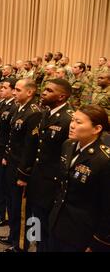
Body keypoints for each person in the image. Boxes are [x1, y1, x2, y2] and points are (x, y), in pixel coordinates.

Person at [49, 105, 110, 252]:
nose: (72, 125)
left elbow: (107, 206)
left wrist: (99, 241)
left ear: (97, 129)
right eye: (72, 120)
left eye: (79, 122)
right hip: (59, 222)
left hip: (83, 232)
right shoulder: (68, 145)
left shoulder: (104, 160)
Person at [28, 79, 73, 252]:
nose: (43, 92)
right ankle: (35, 245)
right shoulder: (47, 112)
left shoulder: (68, 119)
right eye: (44, 89)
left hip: (51, 182)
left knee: (46, 225)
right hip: (37, 176)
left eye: (49, 90)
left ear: (61, 96)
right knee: (34, 218)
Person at [1, 78, 42, 252]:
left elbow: (31, 147)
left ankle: (22, 245)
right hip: (13, 162)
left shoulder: (34, 113)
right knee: (13, 203)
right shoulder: (20, 107)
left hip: (21, 168)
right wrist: (6, 156)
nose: (14, 92)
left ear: (29, 92)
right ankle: (13, 236)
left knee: (24, 209)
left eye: (18, 90)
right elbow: (13, 138)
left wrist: (24, 174)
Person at [0, 78, 17, 229]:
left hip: (3, 151)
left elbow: (11, 135)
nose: (1, 90)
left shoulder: (14, 107)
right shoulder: (3, 103)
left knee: (2, 183)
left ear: (13, 90)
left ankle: (2, 215)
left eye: (4, 88)